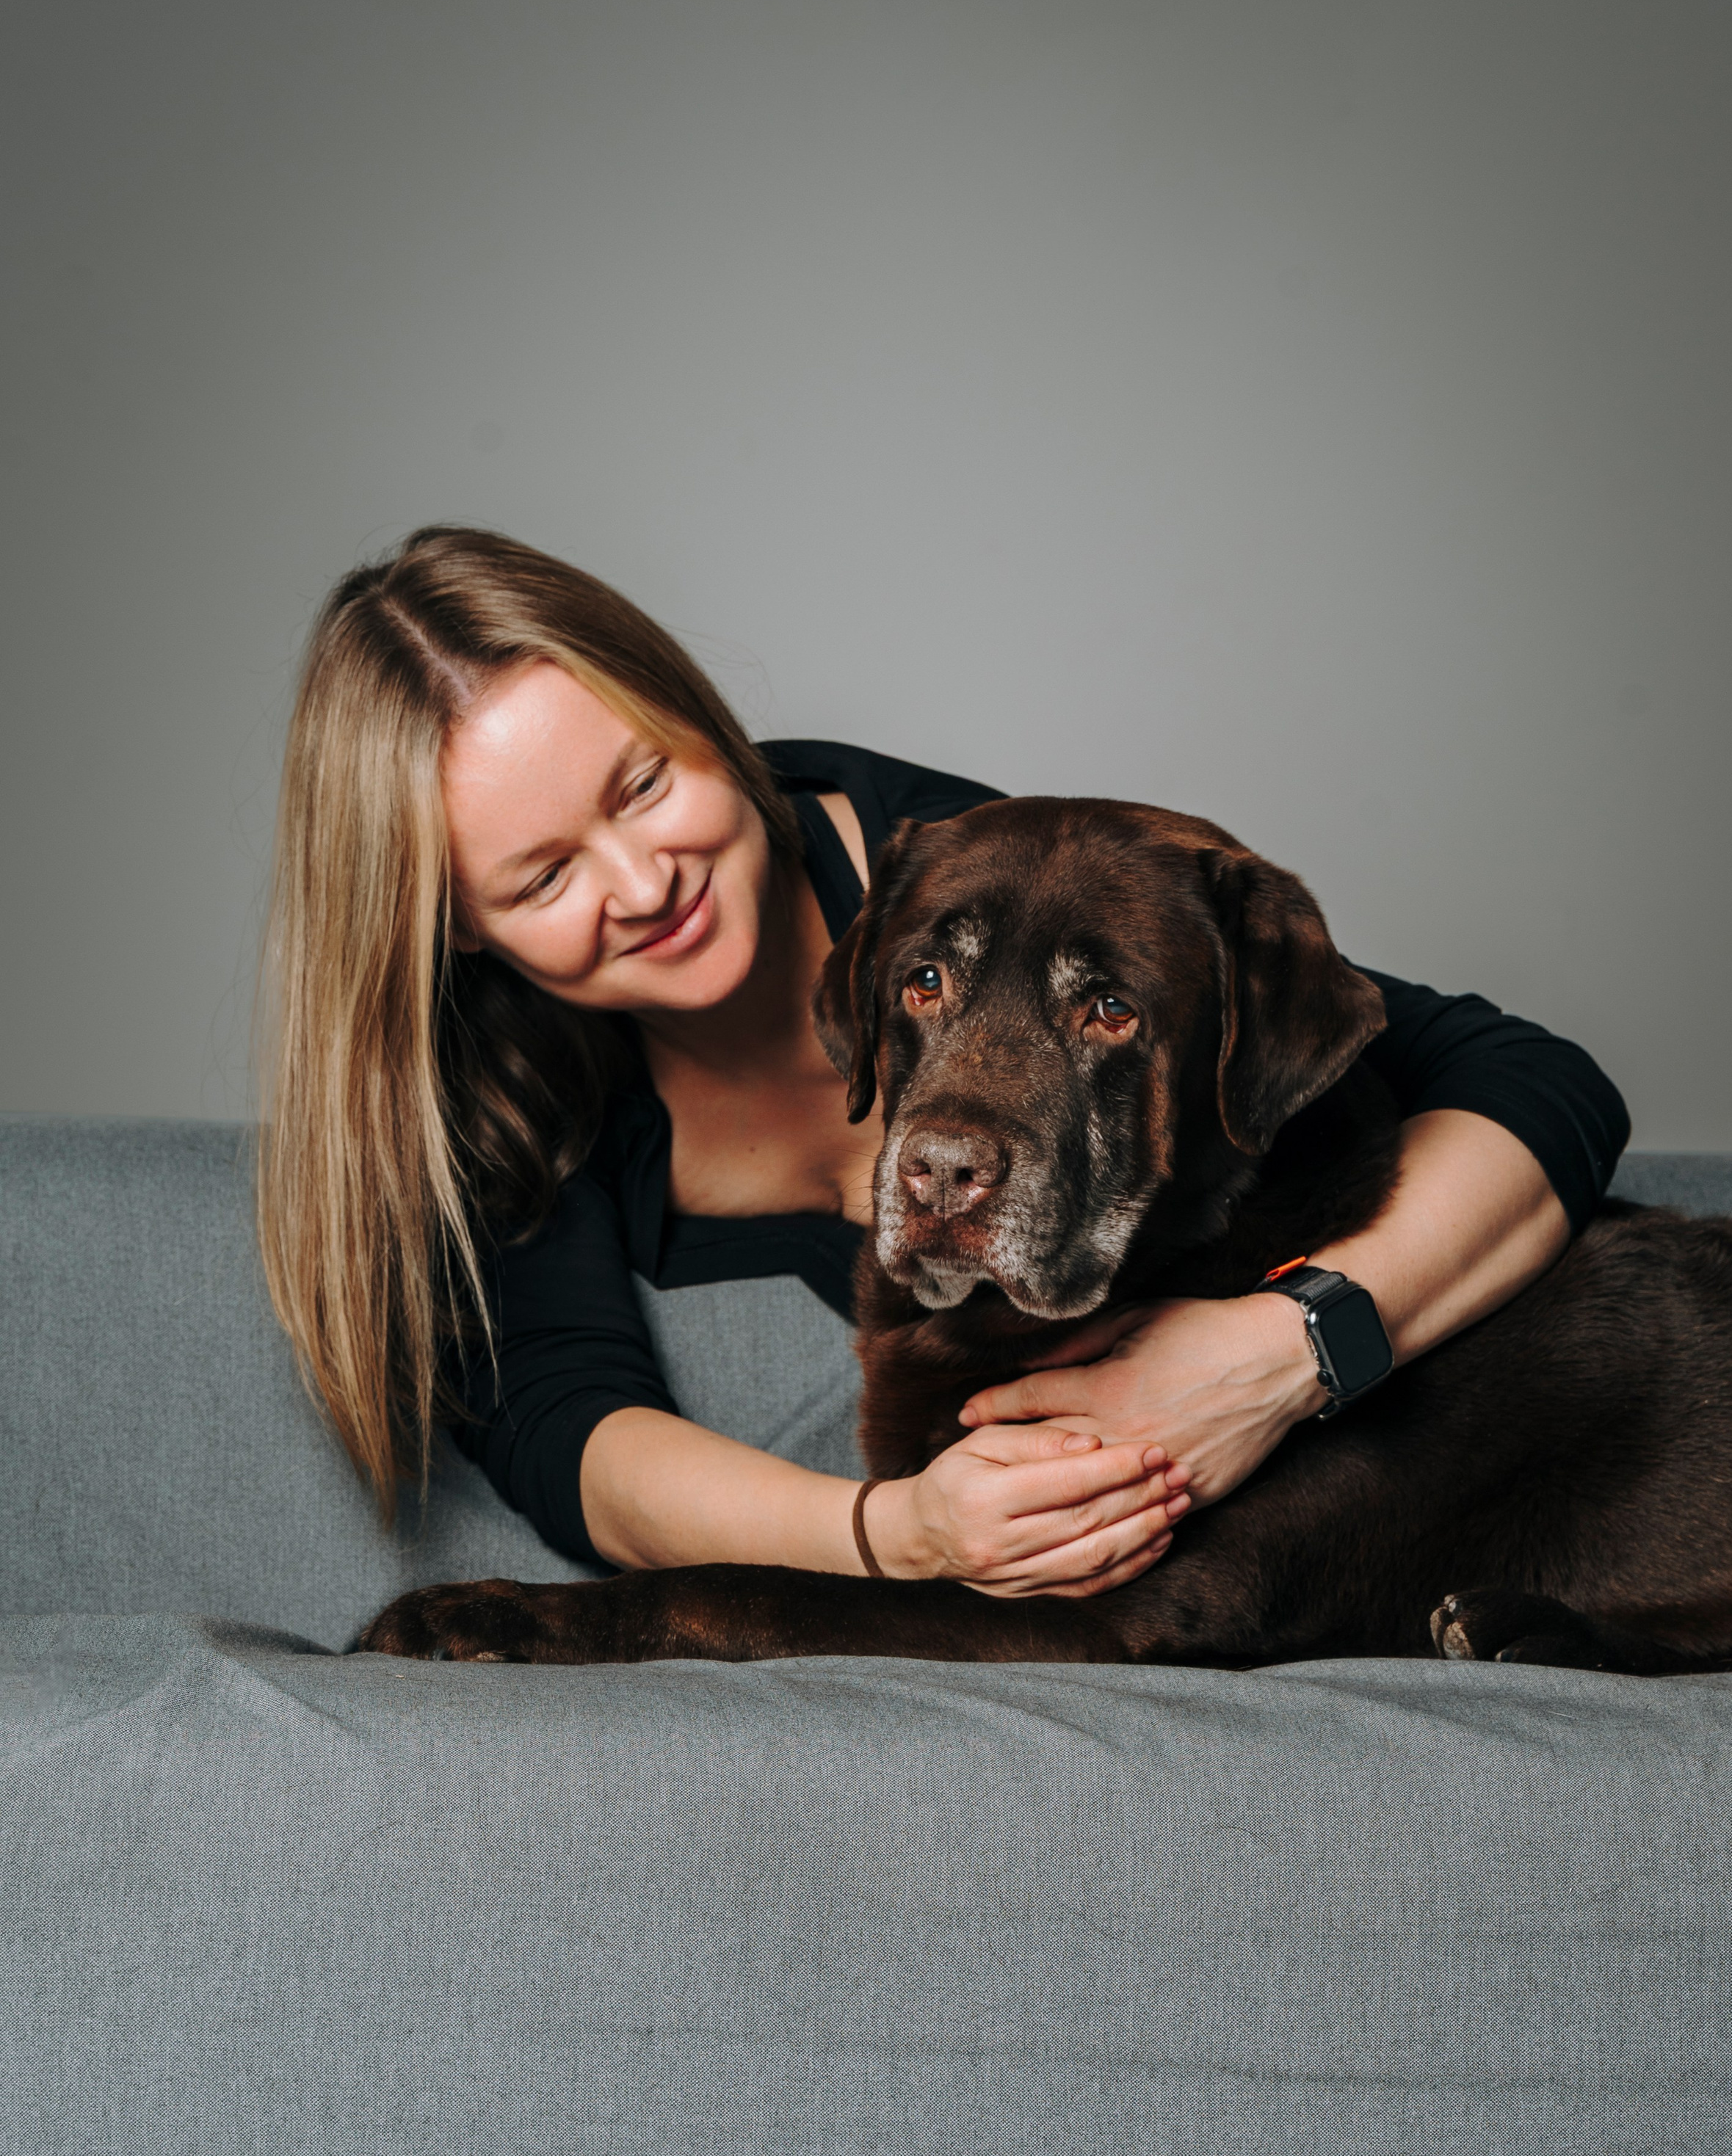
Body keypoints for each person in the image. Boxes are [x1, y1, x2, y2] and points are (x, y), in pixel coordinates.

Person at [258, 526, 1628, 1603]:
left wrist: (1277, 1355)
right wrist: (894, 1532)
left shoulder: (980, 875)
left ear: (697, 711)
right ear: (460, 930)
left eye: (643, 783)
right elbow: (571, 1433)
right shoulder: (493, 1089)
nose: (642, 878)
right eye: (545, 873)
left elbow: (1535, 1081)